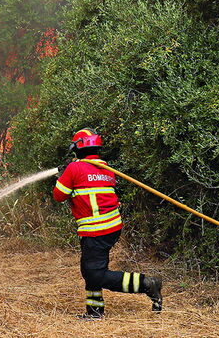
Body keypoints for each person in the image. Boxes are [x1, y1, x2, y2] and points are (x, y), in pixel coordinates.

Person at [53, 128, 163, 319]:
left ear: (78, 148)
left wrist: (62, 175)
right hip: (110, 227)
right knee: (90, 270)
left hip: (96, 229)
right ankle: (94, 311)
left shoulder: (75, 168)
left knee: (95, 273)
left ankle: (147, 283)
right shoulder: (105, 168)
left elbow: (59, 195)